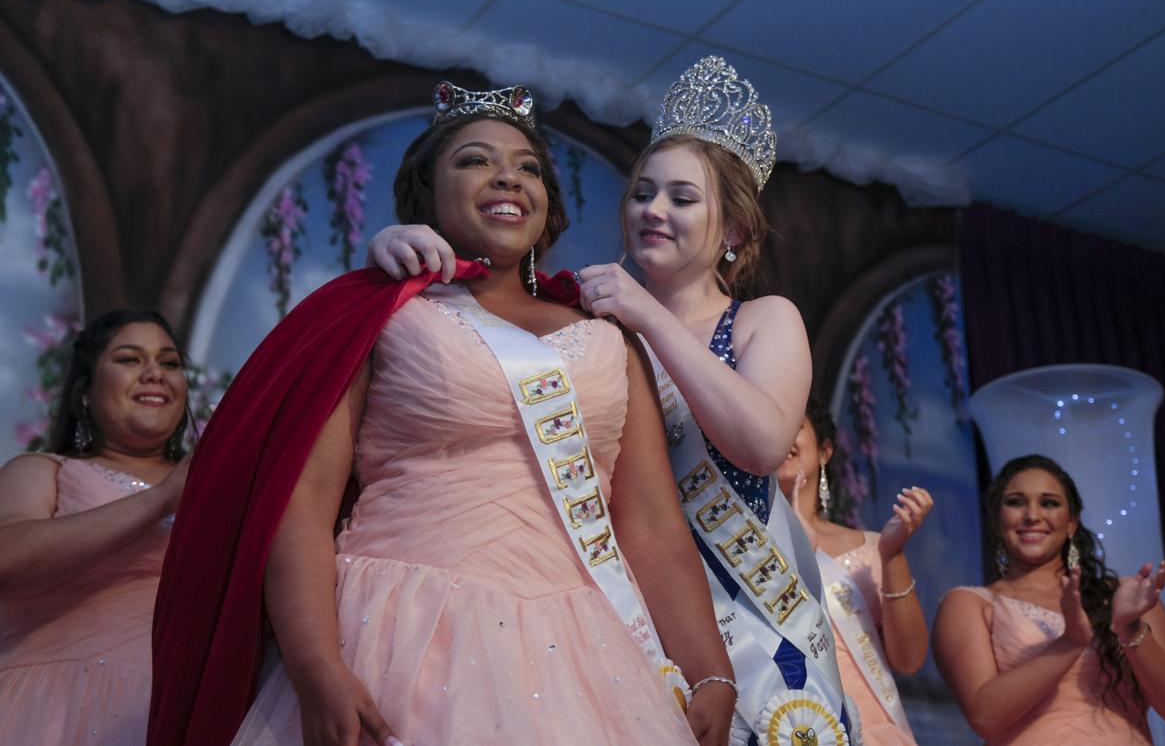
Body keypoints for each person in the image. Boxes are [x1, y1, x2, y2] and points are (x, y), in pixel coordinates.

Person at [149, 81, 734, 746]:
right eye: (475, 160)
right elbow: (300, 508)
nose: (508, 177)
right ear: (426, 192)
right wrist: (316, 666)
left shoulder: (607, 332)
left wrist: (711, 672)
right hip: (403, 627)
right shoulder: (379, 314)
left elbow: (653, 527)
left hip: (587, 648)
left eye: (528, 167)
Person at [368, 57, 855, 746]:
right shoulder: (589, 324)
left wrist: (649, 321)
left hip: (750, 608)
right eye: (643, 193)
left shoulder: (759, 319)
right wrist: (392, 242)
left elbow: (762, 442)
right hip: (627, 605)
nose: (654, 211)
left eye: (682, 199)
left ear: (735, 232)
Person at [0, 310, 192, 745]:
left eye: (170, 363)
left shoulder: (218, 486)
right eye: (129, 359)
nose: (154, 374)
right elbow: (5, 559)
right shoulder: (45, 470)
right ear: (85, 391)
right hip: (54, 711)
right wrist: (163, 497)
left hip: (182, 711)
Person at [933, 454, 1165, 744]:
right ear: (996, 519)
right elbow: (985, 717)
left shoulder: (1128, 596)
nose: (1032, 515)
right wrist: (1069, 643)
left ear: (1071, 523)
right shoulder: (970, 604)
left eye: (1049, 503)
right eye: (1016, 502)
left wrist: (1129, 628)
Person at [777, 397, 930, 745]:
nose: (782, 437)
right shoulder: (739, 550)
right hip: (786, 725)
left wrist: (892, 556)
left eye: (794, 426)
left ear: (825, 451)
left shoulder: (875, 547)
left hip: (872, 729)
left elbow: (909, 660)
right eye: (773, 427)